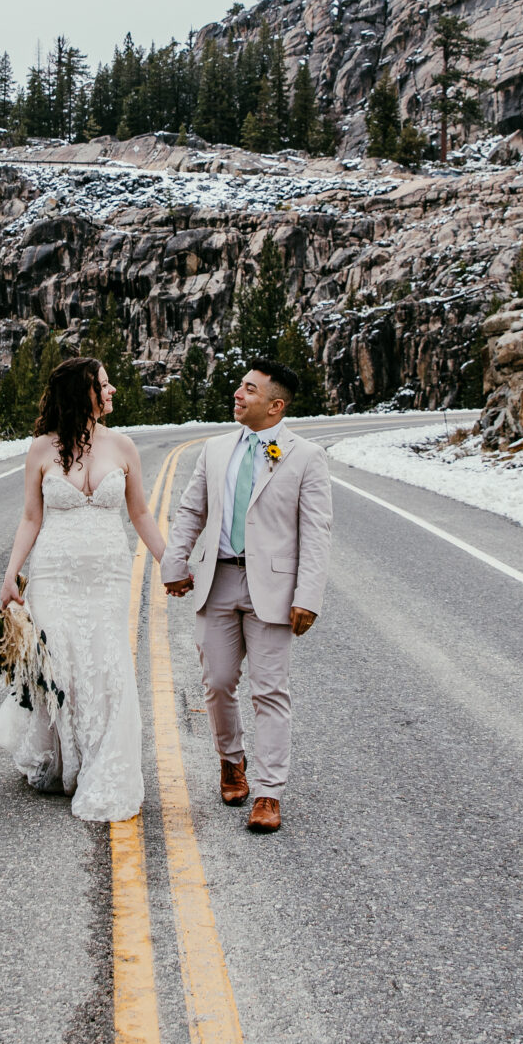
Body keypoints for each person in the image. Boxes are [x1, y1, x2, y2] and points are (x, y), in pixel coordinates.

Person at [0, 356, 173, 822]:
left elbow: (141, 514)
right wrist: (11, 573)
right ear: (82, 393)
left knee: (107, 659)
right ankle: (61, 758)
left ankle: (103, 763)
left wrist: (169, 561)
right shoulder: (40, 450)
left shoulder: (123, 446)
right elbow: (32, 517)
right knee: (63, 661)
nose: (112, 391)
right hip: (54, 571)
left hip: (109, 574)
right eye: (104, 385)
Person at [160, 357, 332, 834]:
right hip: (217, 581)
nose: (238, 393)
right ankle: (230, 761)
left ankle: (269, 792)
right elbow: (192, 509)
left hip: (273, 591)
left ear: (275, 406)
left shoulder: (304, 456)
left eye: (250, 390)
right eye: (240, 385)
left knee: (270, 690)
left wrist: (308, 595)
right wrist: (175, 563)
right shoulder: (215, 450)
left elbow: (317, 532)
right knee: (216, 682)